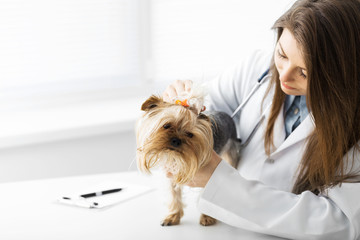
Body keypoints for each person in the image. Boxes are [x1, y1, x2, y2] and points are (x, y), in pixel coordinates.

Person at [162, 0, 360, 239]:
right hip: (222, 230)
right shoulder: (255, 69)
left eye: (305, 72)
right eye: (282, 54)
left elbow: (341, 223)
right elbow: (208, 110)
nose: (284, 76)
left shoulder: (353, 121)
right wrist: (183, 102)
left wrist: (220, 182)